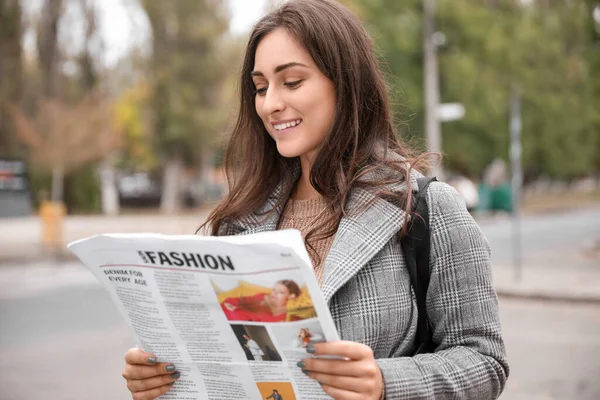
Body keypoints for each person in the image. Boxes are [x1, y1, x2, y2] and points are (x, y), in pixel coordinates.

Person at [121, 1, 509, 399]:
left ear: (345, 82)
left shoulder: (428, 207)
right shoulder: (240, 222)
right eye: (260, 87)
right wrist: (165, 378)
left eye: (291, 82)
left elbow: (484, 361)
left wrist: (384, 383)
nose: (270, 103)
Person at [220, 279, 301, 322]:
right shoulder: (263, 297)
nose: (275, 294)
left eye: (281, 292)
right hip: (230, 316)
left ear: (291, 296)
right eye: (274, 290)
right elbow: (234, 301)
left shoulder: (288, 315)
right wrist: (230, 304)